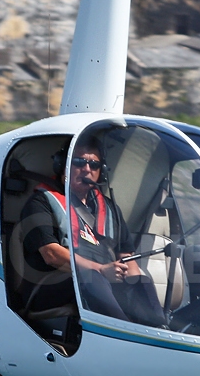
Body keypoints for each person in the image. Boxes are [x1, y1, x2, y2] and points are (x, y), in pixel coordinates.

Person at [18, 138, 167, 327]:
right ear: (62, 166)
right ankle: (123, 336)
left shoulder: (110, 209)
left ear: (101, 172)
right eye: (79, 162)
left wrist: (132, 284)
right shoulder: (41, 202)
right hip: (50, 286)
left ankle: (159, 332)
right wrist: (100, 269)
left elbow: (128, 259)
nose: (87, 169)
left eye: (94, 164)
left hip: (100, 285)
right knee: (91, 277)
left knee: (140, 282)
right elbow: (51, 254)